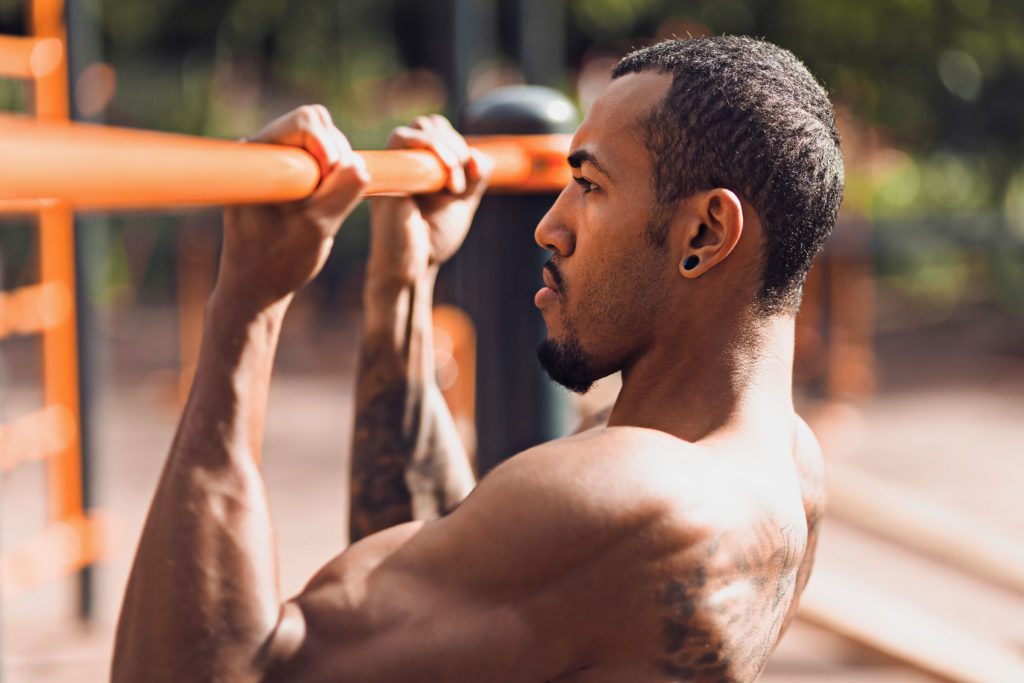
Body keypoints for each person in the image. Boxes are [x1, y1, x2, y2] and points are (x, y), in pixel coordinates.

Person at [113, 35, 842, 682]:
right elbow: (442, 585)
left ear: (705, 234)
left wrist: (245, 305)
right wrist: (401, 284)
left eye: (589, 186)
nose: (550, 225)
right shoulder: (788, 466)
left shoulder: (633, 502)